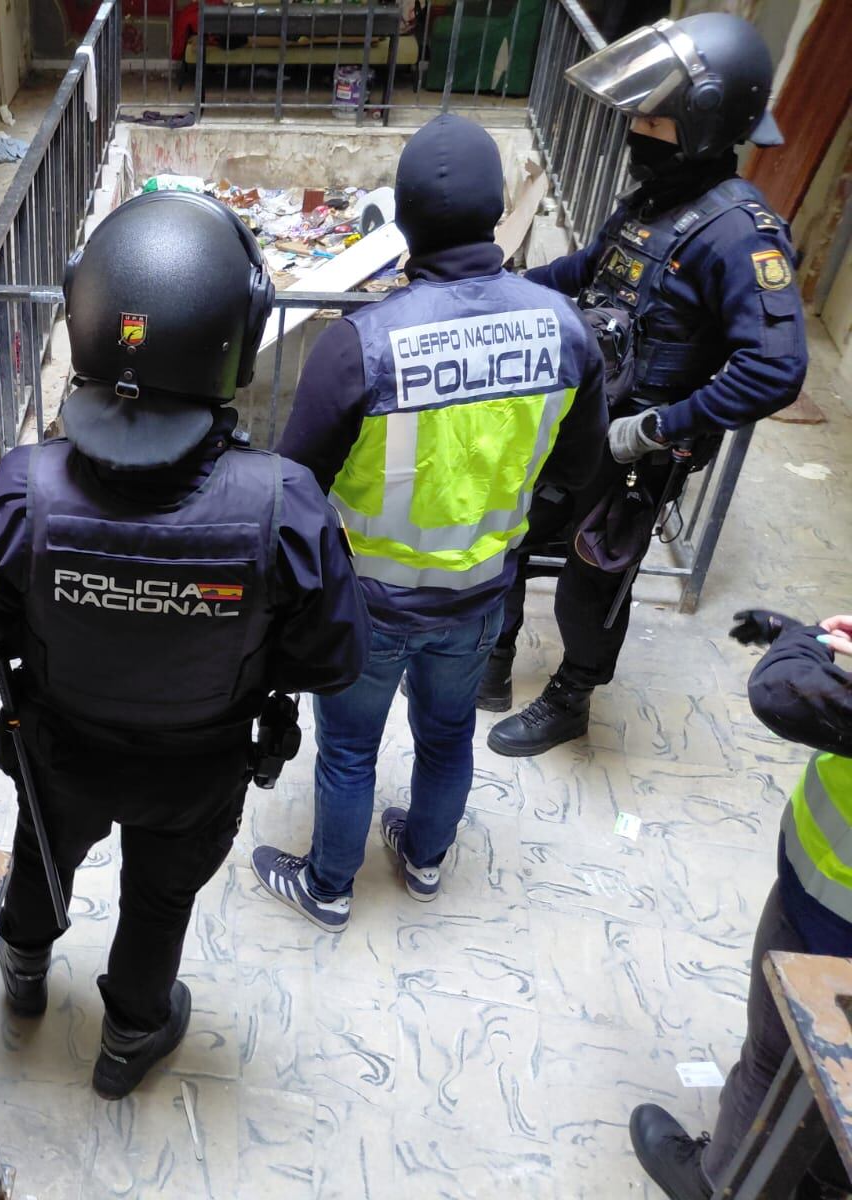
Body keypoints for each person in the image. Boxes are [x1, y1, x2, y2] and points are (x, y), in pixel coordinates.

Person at [0, 191, 370, 1099]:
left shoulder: (24, 490)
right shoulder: (286, 503)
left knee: (42, 860)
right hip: (200, 765)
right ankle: (131, 1035)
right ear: (233, 340)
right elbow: (330, 661)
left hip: (58, 752)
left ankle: (21, 969)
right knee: (161, 898)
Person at [251, 115, 607, 931]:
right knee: (447, 736)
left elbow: (295, 484)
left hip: (369, 602)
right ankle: (424, 860)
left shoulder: (361, 344)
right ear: (494, 212)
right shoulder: (564, 329)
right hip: (482, 596)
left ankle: (330, 887)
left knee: (348, 749)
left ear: (402, 219)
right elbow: (577, 473)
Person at [485, 12, 809, 757]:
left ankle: (570, 697)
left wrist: (661, 428)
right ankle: (492, 665)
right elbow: (585, 270)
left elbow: (776, 367)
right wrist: (494, 292)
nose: (634, 129)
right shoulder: (654, 202)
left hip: (638, 448)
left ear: (703, 124)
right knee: (502, 534)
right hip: (577, 417)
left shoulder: (741, 234)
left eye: (650, 119)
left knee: (591, 579)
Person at [629, 609, 852, 1199]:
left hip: (830, 912)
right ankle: (822, 1179)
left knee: (775, 1059)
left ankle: (715, 1181)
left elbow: (780, 692)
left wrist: (804, 640)